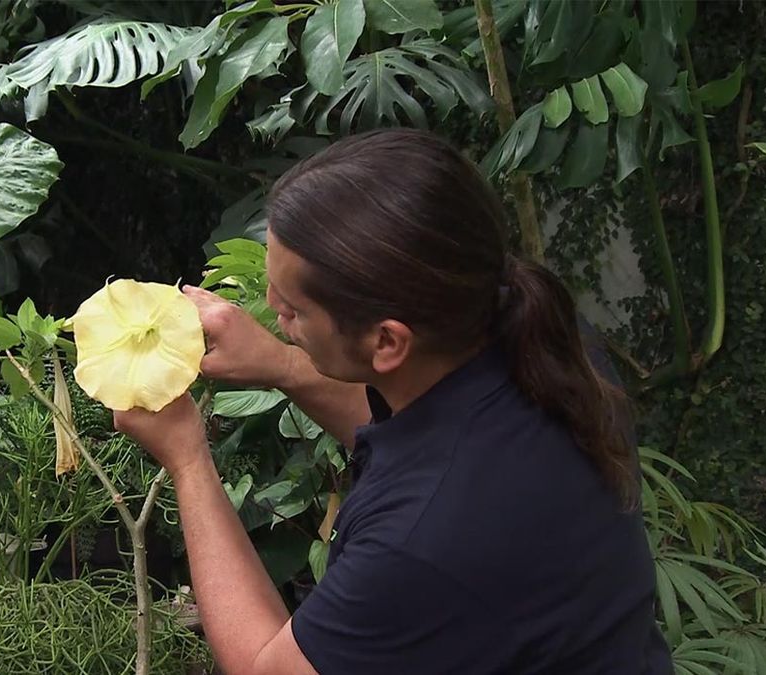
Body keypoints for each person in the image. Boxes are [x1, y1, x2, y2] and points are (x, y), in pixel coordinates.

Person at [113, 128, 673, 674]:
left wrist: (187, 461)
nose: (269, 309)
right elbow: (419, 443)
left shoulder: (420, 543)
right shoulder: (544, 343)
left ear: (387, 341)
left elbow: (269, 669)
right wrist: (281, 365)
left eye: (293, 309)